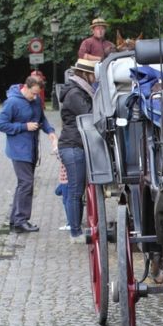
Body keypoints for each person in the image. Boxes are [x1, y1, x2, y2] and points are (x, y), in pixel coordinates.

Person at [0, 75, 57, 233]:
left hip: (31, 149)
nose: (35, 97)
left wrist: (50, 131)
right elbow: (1, 125)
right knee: (26, 183)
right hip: (19, 150)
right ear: (26, 87)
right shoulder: (12, 102)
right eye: (33, 93)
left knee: (23, 184)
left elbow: (42, 119)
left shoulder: (35, 101)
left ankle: (14, 219)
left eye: (37, 94)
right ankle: (21, 221)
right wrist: (24, 127)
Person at [58, 57, 96, 242]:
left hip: (75, 145)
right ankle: (75, 232)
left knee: (76, 190)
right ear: (86, 75)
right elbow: (88, 114)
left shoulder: (79, 91)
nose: (95, 78)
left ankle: (76, 228)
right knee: (75, 191)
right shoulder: (75, 94)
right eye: (93, 75)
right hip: (73, 146)